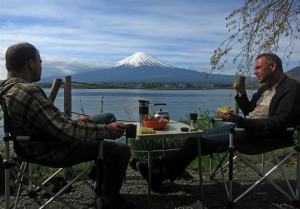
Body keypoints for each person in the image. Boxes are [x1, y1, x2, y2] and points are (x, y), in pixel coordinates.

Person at [131, 53, 300, 191]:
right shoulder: (265, 88)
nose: (254, 72)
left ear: (272, 66)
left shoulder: (291, 88)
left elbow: (279, 123)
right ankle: (159, 168)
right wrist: (241, 95)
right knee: (196, 137)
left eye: (257, 67)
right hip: (245, 129)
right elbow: (252, 112)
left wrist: (240, 121)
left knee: (196, 143)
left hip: (262, 137)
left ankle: (158, 172)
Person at [0, 42, 134, 209]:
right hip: (55, 149)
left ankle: (100, 175)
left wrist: (74, 122)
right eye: (40, 61)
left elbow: (49, 123)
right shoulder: (28, 92)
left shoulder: (8, 88)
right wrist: (105, 130)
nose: (41, 66)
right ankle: (110, 198)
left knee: (108, 116)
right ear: (31, 63)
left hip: (34, 143)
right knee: (121, 150)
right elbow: (67, 131)